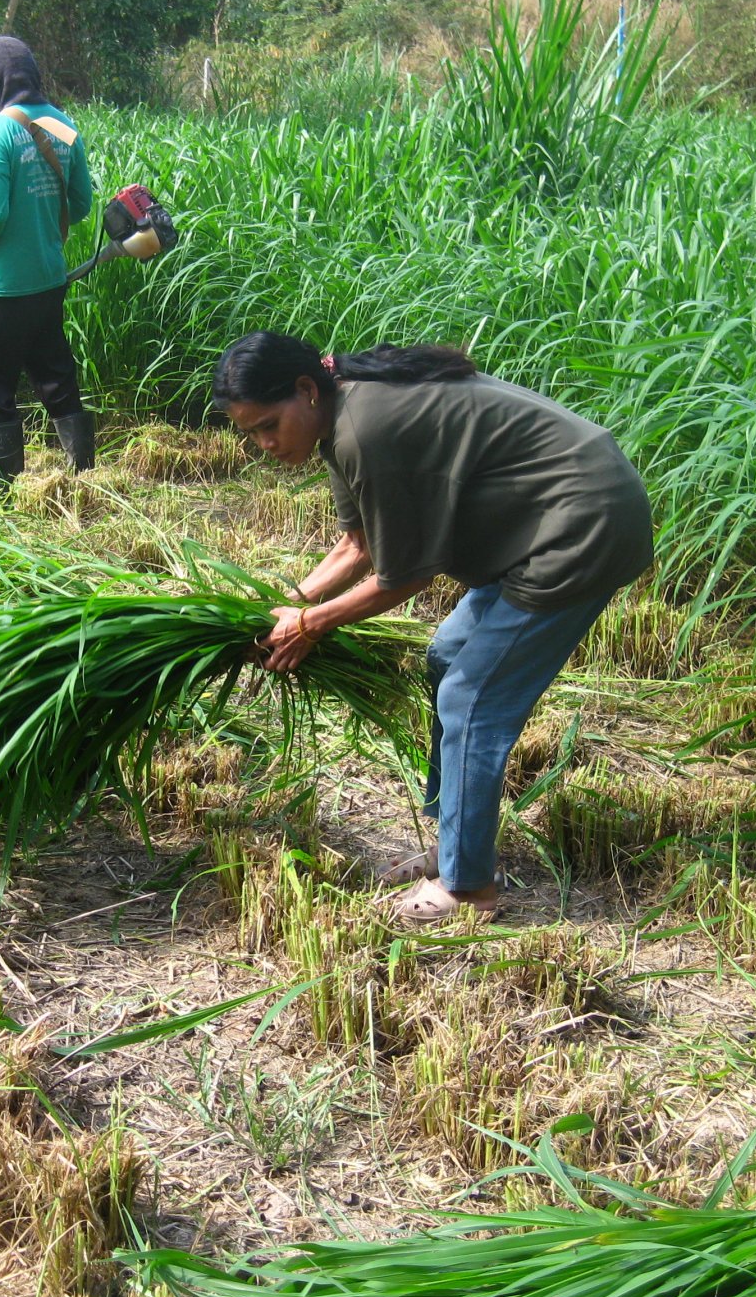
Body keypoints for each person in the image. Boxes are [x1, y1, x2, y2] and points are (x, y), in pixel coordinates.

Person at [212, 332, 655, 926]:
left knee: (470, 700)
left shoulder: (365, 430)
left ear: (305, 390)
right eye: (251, 435)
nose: (265, 444)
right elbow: (358, 546)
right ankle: (456, 844)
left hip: (582, 523)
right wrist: (280, 607)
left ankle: (468, 886)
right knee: (448, 657)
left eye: (269, 425)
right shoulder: (338, 417)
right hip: (539, 522)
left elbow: (403, 578)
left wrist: (310, 625)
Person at [0, 36, 96, 490]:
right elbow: (81, 203)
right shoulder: (63, 126)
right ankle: (84, 476)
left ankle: (2, 493)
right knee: (54, 373)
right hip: (48, 280)